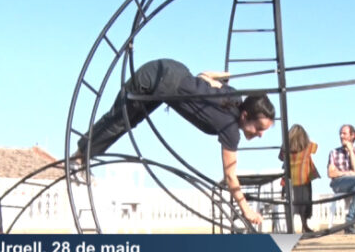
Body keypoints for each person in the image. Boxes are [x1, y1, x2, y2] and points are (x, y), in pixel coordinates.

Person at [74, 58, 276, 225]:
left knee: (128, 122)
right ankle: (79, 157)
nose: (260, 135)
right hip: (157, 79)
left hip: (169, 76)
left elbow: (203, 76)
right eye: (259, 128)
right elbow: (231, 176)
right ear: (245, 116)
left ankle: (82, 155)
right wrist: (247, 211)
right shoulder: (230, 129)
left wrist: (219, 75)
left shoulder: (233, 97)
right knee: (119, 120)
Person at [278, 124, 319, 233]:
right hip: (303, 178)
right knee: (305, 202)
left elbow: (280, 157)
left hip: (289, 179)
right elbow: (316, 148)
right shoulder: (308, 146)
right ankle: (304, 225)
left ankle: (290, 227)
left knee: (290, 203)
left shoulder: (285, 147)